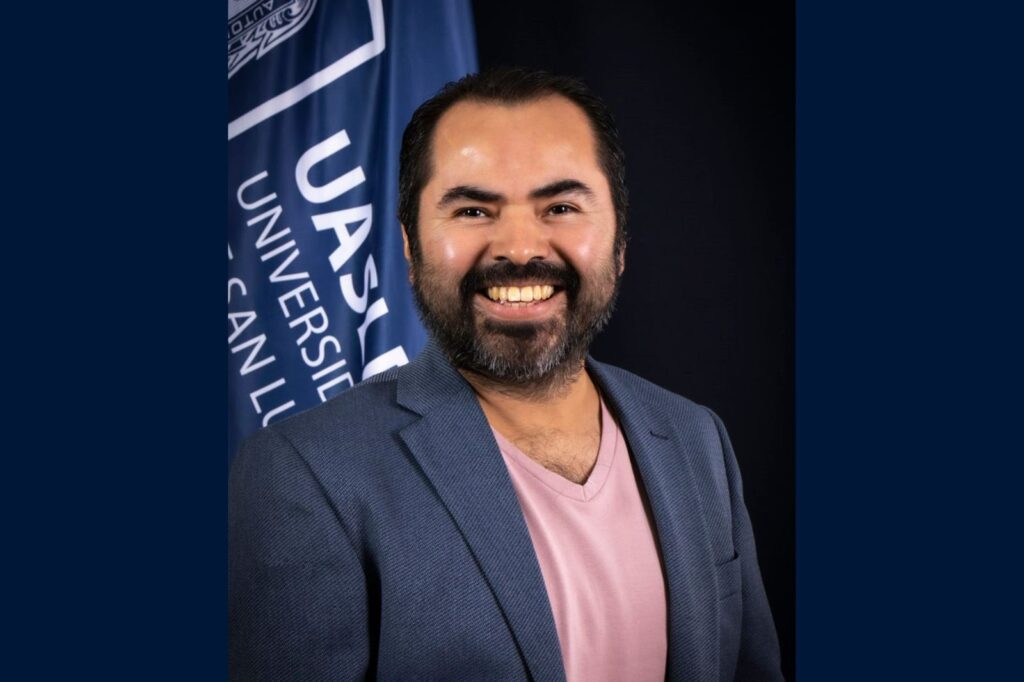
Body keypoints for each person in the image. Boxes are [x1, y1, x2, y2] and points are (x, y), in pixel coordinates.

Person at [229, 68, 783, 681]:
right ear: (410, 246)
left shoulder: (698, 439)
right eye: (472, 210)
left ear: (620, 241)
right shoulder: (304, 475)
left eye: (561, 207)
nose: (519, 248)